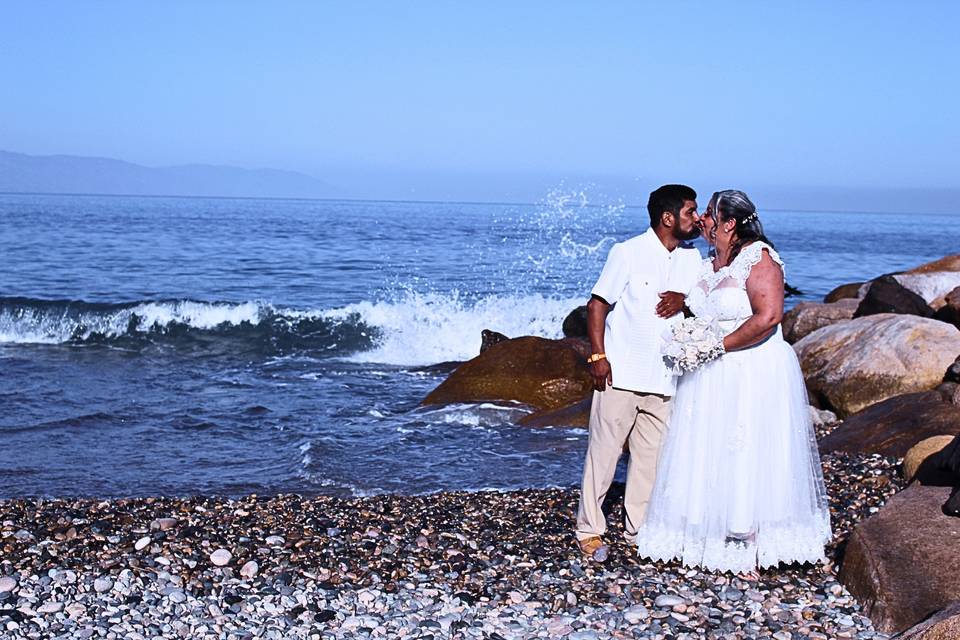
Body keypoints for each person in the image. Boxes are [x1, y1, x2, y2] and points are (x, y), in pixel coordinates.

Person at [635, 190, 831, 575]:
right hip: (711, 372)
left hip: (751, 368)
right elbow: (701, 307)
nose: (703, 220)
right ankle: (705, 529)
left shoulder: (759, 259)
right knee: (710, 445)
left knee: (747, 445)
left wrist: (715, 347)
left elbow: (768, 317)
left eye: (709, 214)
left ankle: (749, 537)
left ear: (728, 223)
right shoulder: (711, 264)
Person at [576, 184, 703, 561]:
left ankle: (638, 530)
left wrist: (686, 299)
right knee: (604, 455)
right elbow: (597, 305)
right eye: (690, 212)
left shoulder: (691, 259)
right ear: (668, 218)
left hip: (665, 378)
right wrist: (597, 355)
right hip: (622, 375)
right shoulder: (627, 252)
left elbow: (703, 306)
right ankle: (589, 530)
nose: (696, 219)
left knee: (650, 459)